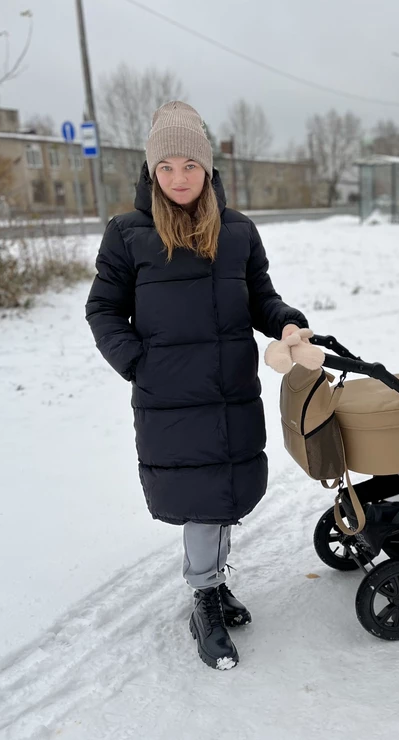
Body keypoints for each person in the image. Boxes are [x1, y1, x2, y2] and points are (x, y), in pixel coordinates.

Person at [85, 101, 316, 671]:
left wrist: (285, 319)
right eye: (166, 167)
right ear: (151, 172)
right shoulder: (128, 234)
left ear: (208, 169)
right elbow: (103, 310)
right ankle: (205, 599)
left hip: (230, 386)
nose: (179, 177)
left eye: (190, 165)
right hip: (170, 396)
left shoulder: (237, 232)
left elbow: (258, 296)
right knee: (198, 500)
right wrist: (139, 363)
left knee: (224, 493)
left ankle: (213, 586)